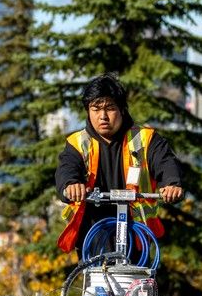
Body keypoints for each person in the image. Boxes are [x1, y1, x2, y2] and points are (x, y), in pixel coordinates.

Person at [54, 73, 183, 253]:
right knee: (95, 281)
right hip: (93, 238)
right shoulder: (78, 143)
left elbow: (165, 162)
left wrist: (171, 183)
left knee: (138, 281)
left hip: (136, 238)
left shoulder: (146, 139)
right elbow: (66, 169)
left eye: (110, 108)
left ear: (122, 109)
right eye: (95, 109)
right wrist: (71, 185)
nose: (103, 116)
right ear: (87, 111)